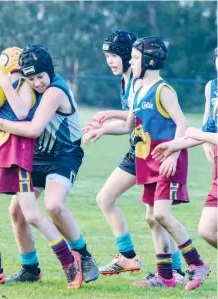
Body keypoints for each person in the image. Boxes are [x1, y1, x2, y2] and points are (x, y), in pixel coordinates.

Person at [84, 36, 210, 291]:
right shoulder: (137, 88)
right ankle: (165, 275)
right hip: (147, 159)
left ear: (150, 61)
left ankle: (197, 264)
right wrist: (103, 130)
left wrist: (174, 154)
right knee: (152, 217)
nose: (131, 62)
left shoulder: (164, 90)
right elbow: (129, 125)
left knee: (161, 214)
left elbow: (182, 124)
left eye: (135, 58)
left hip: (166, 159)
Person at [0, 47, 83, 289]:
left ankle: (70, 262)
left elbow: (23, 113)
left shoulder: (23, 87)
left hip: (16, 159)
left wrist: (5, 84)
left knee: (32, 215)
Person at [0, 44, 99, 286]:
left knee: (54, 205)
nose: (37, 83)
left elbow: (34, 129)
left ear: (50, 72)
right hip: (37, 156)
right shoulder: (27, 87)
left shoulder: (55, 91)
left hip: (63, 155)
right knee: (16, 211)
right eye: (31, 78)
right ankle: (30, 269)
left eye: (40, 77)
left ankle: (85, 256)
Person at [152, 47, 218, 249]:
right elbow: (208, 128)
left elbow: (201, 132)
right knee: (207, 230)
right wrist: (175, 145)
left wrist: (199, 135)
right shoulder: (213, 87)